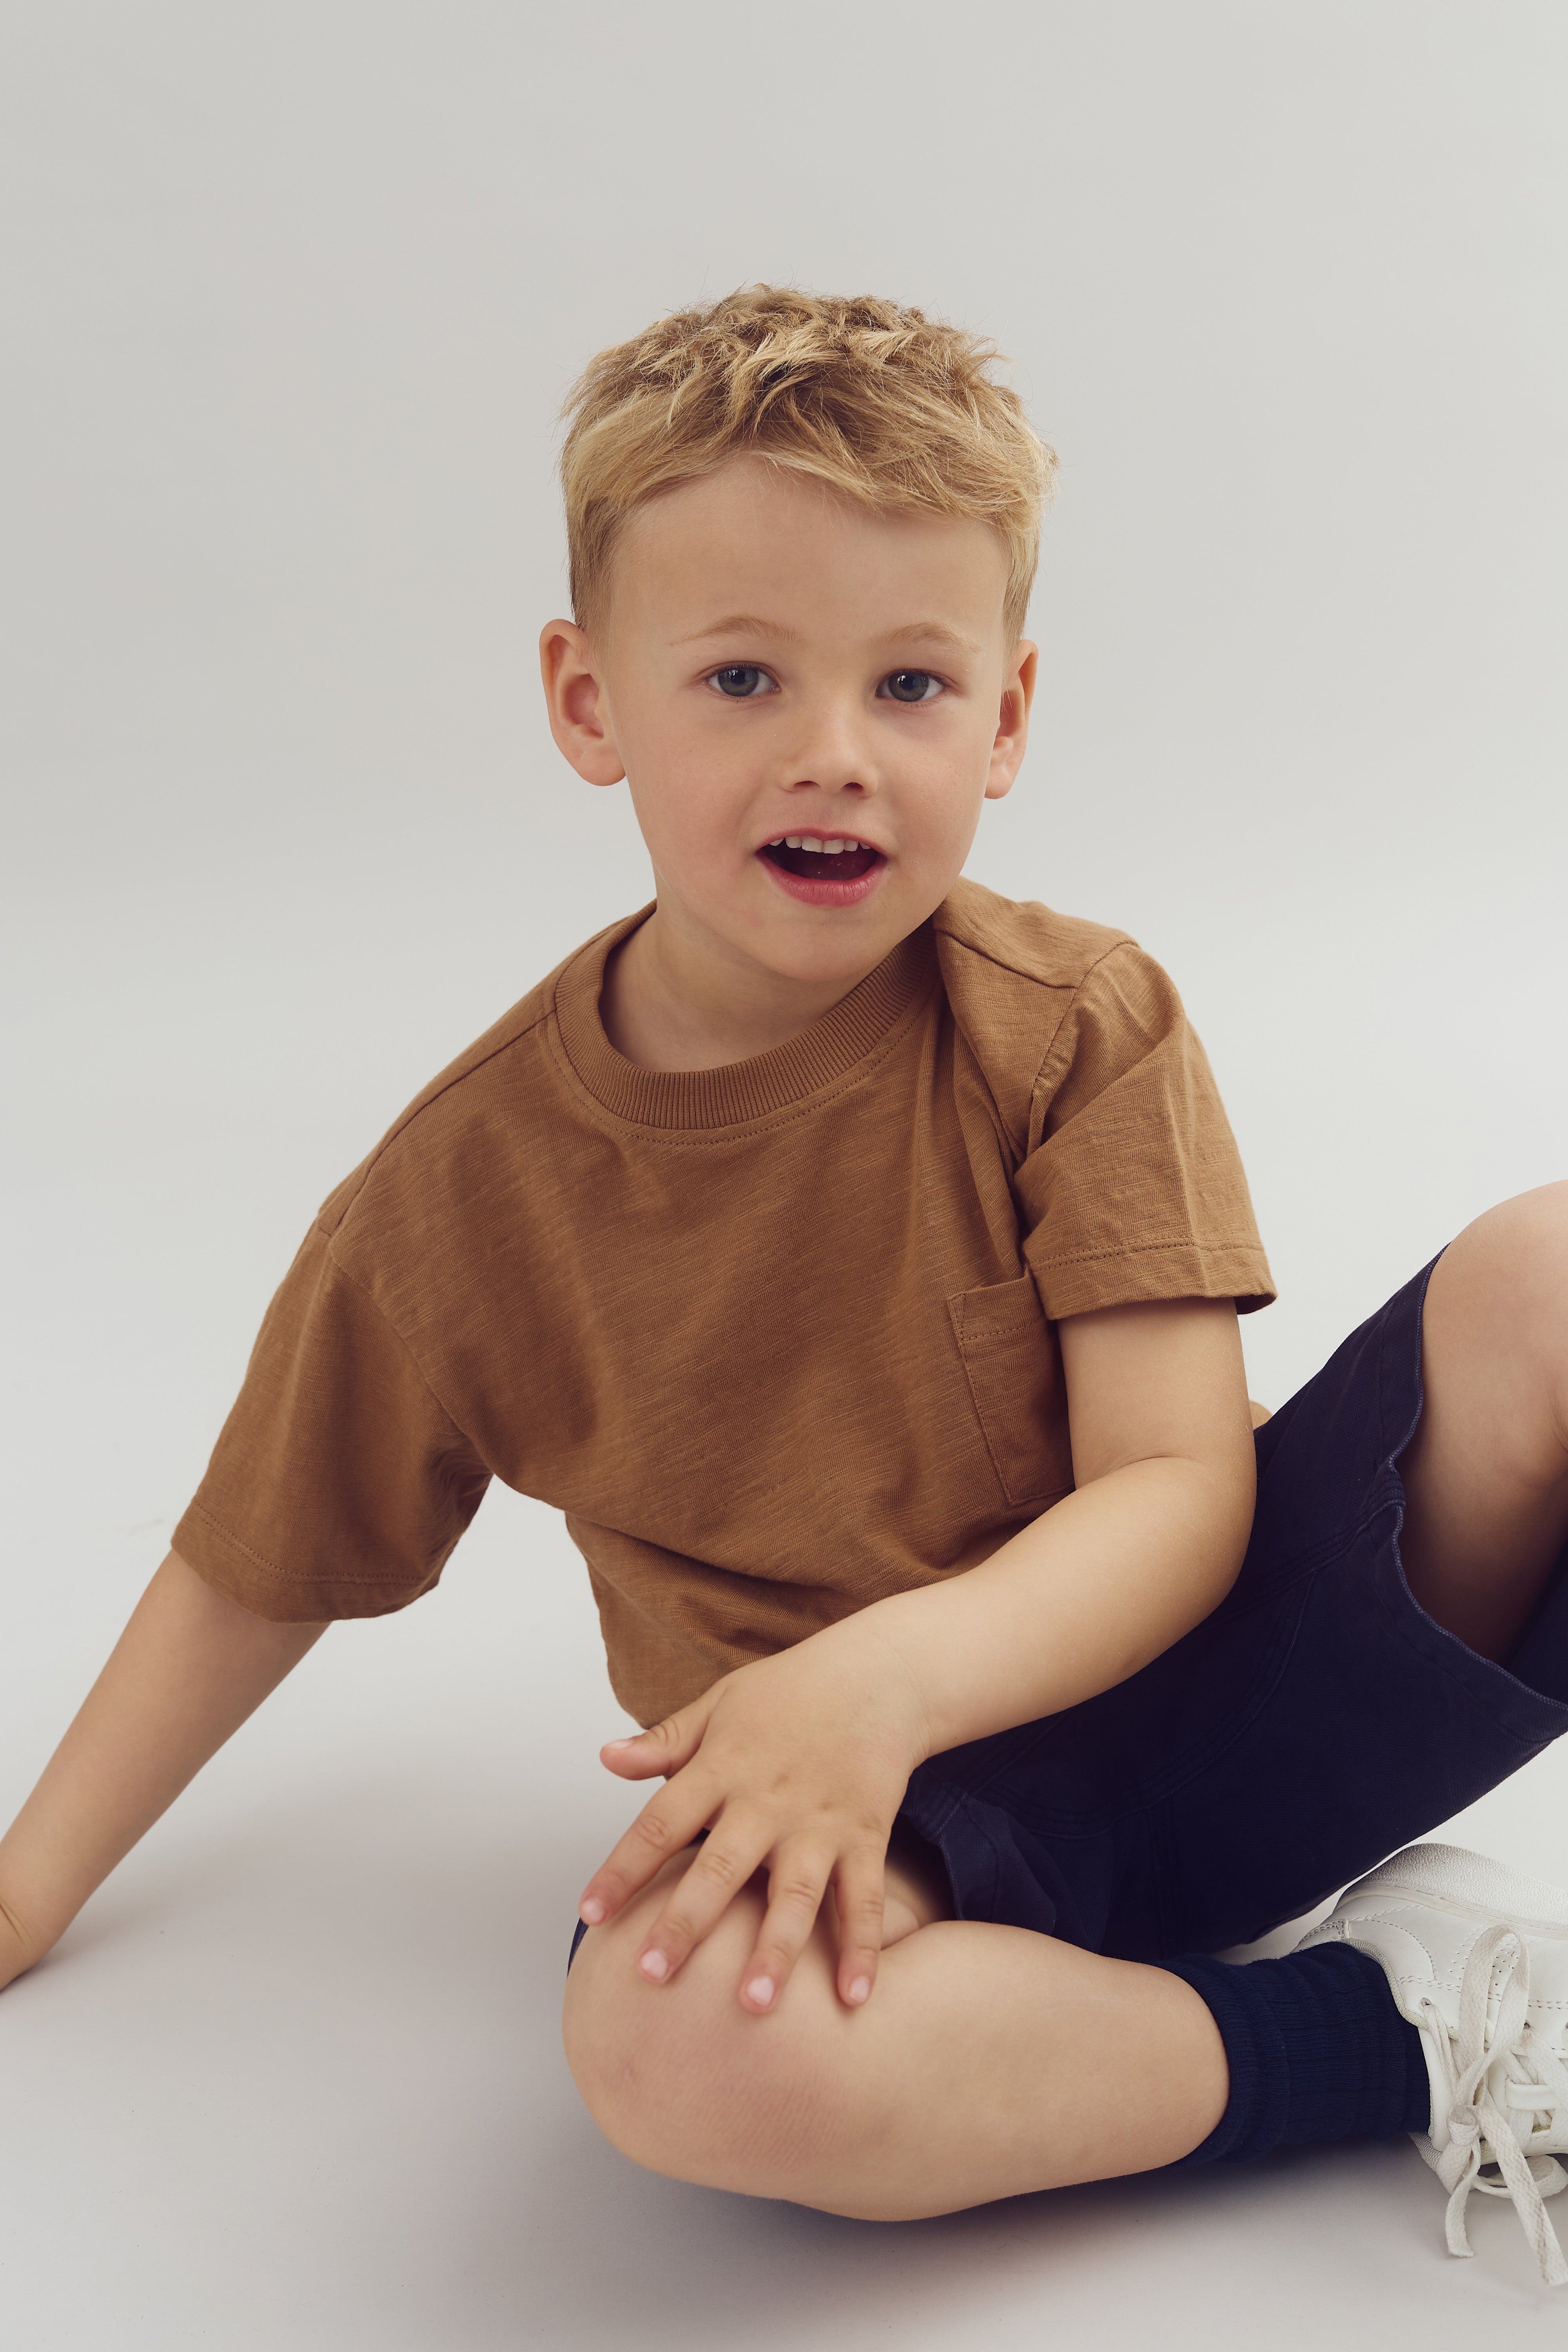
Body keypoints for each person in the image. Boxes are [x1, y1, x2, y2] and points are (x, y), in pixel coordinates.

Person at [3, 285, 1567, 2283]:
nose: (834, 756)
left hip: (1221, 1689)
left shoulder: (1065, 1022)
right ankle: (1394, 2038)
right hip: (884, 1840)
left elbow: (1179, 1494)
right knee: (670, 2048)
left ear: (1004, 718)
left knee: (1542, 1272)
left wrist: (882, 1673)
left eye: (910, 687)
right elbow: (254, 1563)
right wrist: (30, 1887)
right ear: (589, 703)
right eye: (740, 679)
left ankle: (1265, 1943)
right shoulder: (458, 1195)